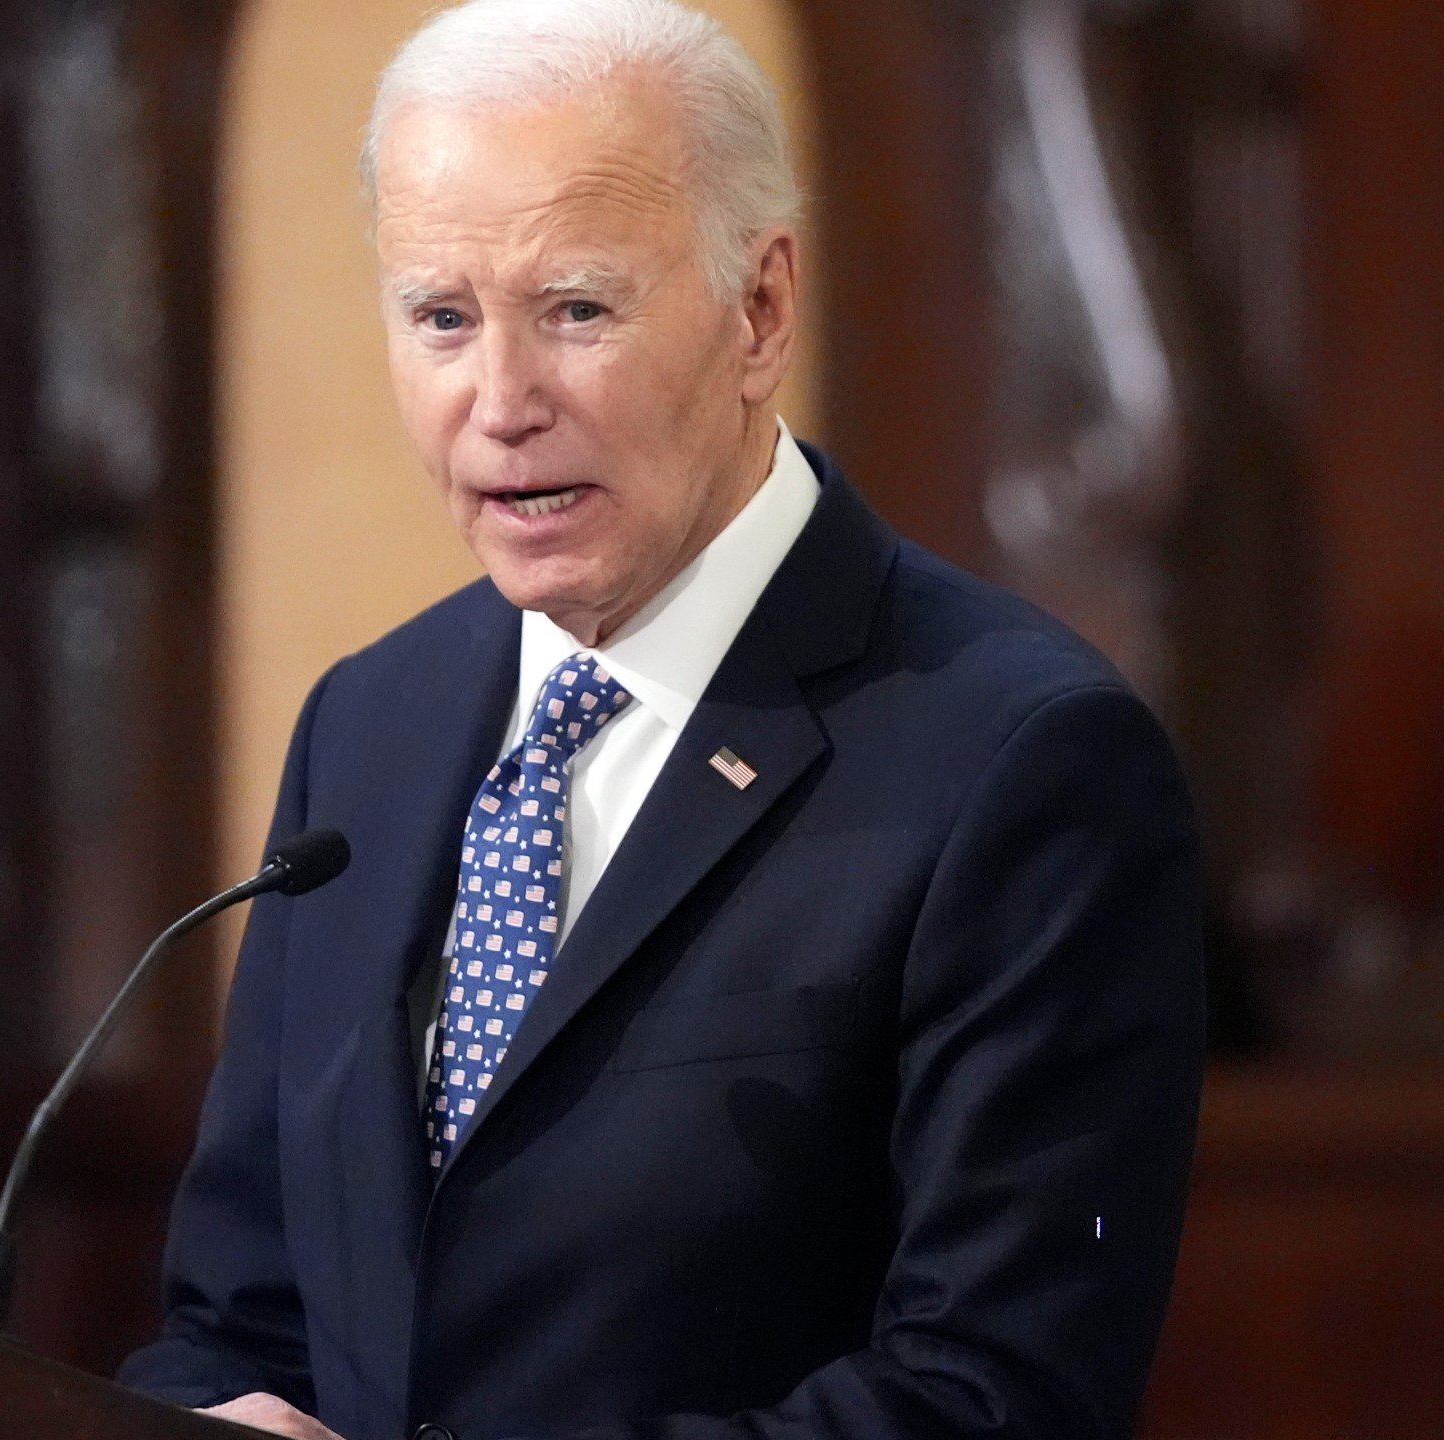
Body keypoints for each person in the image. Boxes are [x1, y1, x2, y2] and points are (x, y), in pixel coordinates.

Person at [117, 2, 1206, 1436]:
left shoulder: (1022, 757)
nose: (500, 402)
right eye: (441, 317)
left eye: (576, 309)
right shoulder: (365, 727)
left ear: (759, 311)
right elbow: (237, 1316)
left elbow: (994, 1392)